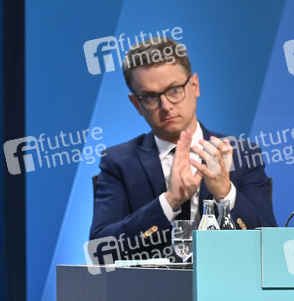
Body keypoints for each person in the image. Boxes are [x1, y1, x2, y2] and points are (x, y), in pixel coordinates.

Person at [88, 37, 275, 261]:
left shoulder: (241, 154)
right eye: (150, 97)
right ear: (136, 104)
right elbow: (100, 251)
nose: (166, 106)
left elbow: (269, 245)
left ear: (194, 86)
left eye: (174, 90)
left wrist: (225, 192)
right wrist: (169, 202)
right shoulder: (119, 162)